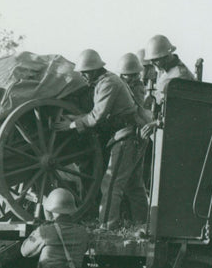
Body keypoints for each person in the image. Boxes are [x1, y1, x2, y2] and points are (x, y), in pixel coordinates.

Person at [61, 49, 148, 230]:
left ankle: (107, 226)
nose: (83, 76)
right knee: (133, 185)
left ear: (94, 70)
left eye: (85, 72)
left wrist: (71, 125)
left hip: (126, 136)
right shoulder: (105, 81)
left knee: (111, 183)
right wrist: (75, 118)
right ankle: (143, 224)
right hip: (132, 135)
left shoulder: (109, 83)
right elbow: (97, 113)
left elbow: (97, 117)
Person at [144, 34, 195, 117]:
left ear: (166, 57)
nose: (152, 63)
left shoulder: (180, 75)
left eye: (155, 60)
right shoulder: (164, 70)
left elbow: (178, 109)